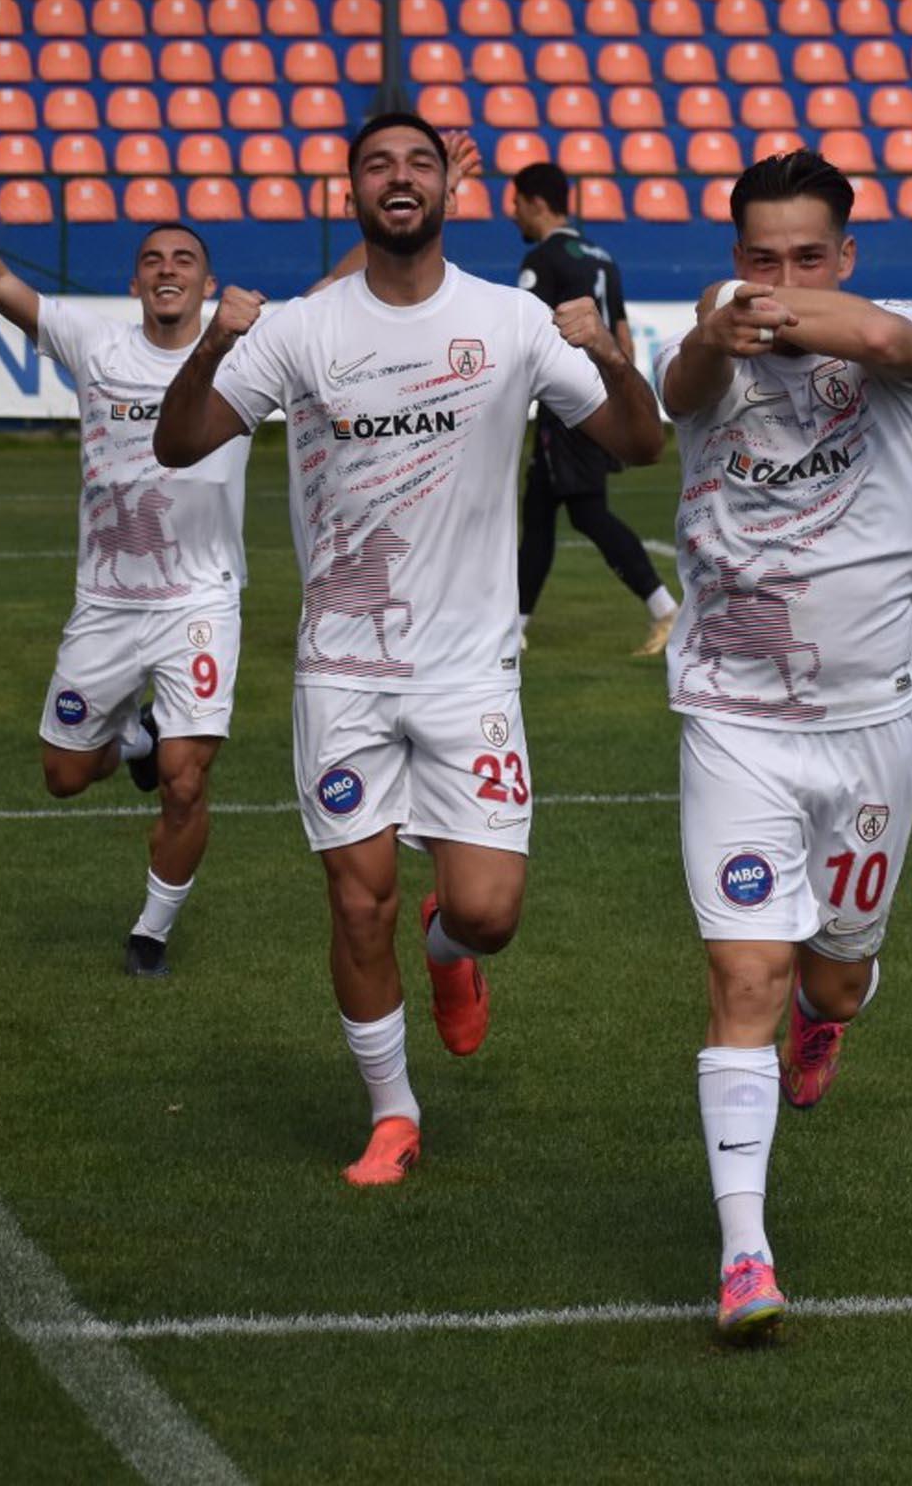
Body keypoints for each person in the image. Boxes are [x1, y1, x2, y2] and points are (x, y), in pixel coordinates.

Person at [153, 112, 664, 1184]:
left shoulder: (510, 319)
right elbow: (181, 440)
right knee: (357, 903)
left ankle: (449, 953)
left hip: (470, 672)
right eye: (378, 163)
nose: (400, 176)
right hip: (342, 672)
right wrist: (213, 341)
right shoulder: (299, 329)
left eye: (419, 162)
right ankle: (393, 1112)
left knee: (488, 913)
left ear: (445, 189)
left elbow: (641, 442)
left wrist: (610, 356)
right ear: (352, 192)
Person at [656, 148, 912, 1340]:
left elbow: (885, 341)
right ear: (735, 259)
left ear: (846, 257)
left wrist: (773, 309)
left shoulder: (892, 341)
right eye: (761, 260)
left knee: (834, 977)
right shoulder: (708, 351)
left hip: (872, 720)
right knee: (746, 978)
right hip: (736, 717)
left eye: (808, 257)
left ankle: (833, 1011)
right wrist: (719, 326)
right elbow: (675, 389)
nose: (782, 279)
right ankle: (745, 1253)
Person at [0, 139, 247, 979]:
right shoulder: (94, 344)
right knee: (65, 775)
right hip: (105, 603)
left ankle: (150, 932)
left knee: (186, 781)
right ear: (136, 282)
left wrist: (420, 217)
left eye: (184, 259)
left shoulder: (242, 349)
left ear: (208, 283)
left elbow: (336, 300)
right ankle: (133, 739)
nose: (168, 269)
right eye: (153, 260)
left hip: (199, 602)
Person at [509, 161, 679, 657]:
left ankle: (666, 609)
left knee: (587, 513)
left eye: (517, 203)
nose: (513, 214)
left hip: (567, 405)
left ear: (537, 203)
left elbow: (525, 335)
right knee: (539, 514)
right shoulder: (601, 257)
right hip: (598, 398)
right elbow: (622, 336)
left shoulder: (544, 260)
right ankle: (513, 627)